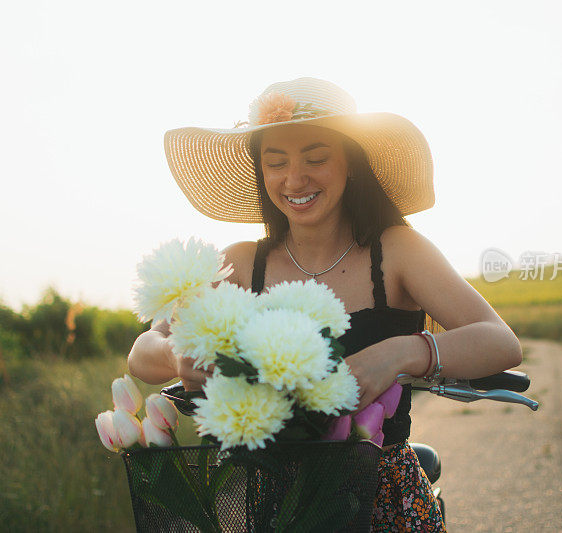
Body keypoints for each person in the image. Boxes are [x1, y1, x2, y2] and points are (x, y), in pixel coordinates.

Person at [127, 77, 523, 532]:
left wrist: (403, 352)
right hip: (275, 505)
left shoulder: (396, 252)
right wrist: (176, 354)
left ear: (350, 163)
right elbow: (144, 350)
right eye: (275, 163)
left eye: (316, 158)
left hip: (383, 497)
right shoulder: (239, 263)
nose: (295, 179)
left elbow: (501, 342)